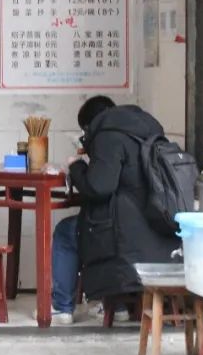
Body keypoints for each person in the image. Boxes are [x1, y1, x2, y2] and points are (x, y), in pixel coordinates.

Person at [49, 96, 182, 325]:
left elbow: (98, 187)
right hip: (158, 228)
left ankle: (62, 308)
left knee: (66, 232)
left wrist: (76, 166)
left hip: (126, 231)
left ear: (89, 126)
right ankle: (115, 305)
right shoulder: (149, 132)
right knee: (94, 223)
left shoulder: (107, 137)